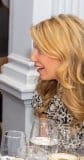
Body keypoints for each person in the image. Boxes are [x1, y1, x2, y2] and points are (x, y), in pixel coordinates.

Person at [30, 14, 84, 152]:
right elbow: (43, 150)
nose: (32, 57)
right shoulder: (46, 89)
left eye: (40, 50)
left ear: (64, 53)